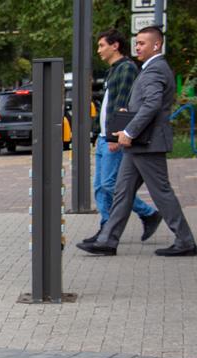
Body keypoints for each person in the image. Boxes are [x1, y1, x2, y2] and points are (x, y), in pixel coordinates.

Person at [77, 26, 195, 257]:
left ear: (156, 45)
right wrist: (127, 113)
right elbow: (144, 104)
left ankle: (185, 241)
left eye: (142, 43)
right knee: (122, 192)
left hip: (148, 143)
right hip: (141, 144)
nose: (137, 47)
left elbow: (152, 105)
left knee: (161, 192)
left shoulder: (156, 70)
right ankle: (108, 241)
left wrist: (129, 132)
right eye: (136, 43)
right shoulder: (149, 69)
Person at [83, 29, 160, 244]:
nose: (99, 50)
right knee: (100, 186)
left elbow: (124, 106)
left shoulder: (126, 69)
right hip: (103, 136)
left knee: (110, 185)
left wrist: (116, 137)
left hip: (113, 137)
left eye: (102, 45)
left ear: (115, 45)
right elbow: (108, 104)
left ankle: (148, 213)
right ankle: (105, 229)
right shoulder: (114, 70)